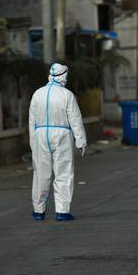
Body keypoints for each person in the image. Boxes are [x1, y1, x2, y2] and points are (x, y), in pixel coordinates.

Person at [28, 63, 87, 221]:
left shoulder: (37, 94)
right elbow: (75, 119)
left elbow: (31, 122)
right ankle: (62, 211)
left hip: (40, 134)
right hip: (62, 135)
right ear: (64, 76)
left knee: (41, 173)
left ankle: (38, 211)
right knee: (64, 172)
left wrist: (33, 143)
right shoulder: (67, 95)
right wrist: (81, 141)